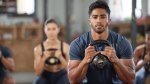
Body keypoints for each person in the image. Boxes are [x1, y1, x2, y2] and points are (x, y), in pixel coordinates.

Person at [68, 0, 135, 84]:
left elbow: (130, 80)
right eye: (95, 17)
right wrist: (85, 61)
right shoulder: (77, 44)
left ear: (109, 20)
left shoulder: (122, 43)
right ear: (89, 21)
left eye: (103, 17)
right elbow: (73, 80)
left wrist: (116, 60)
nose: (99, 20)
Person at [34, 19, 70, 84]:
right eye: (48, 29)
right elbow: (37, 72)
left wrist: (61, 58)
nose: (51, 32)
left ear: (58, 30)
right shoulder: (38, 48)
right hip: (45, 74)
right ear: (44, 30)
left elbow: (70, 69)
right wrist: (43, 58)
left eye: (54, 29)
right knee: (38, 82)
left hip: (61, 74)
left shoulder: (66, 47)